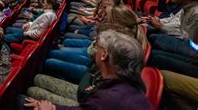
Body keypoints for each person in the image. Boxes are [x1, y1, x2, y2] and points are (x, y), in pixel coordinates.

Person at [22, 30, 152, 110]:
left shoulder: (107, 99)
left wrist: (51, 109)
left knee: (24, 98)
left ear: (104, 55)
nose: (95, 49)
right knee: (38, 78)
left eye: (98, 47)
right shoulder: (130, 83)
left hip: (88, 101)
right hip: (89, 100)